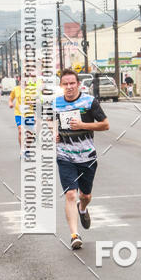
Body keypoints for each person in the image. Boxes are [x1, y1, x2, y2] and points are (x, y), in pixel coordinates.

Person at [55, 69, 109, 250]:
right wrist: (52, 133)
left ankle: (83, 208)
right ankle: (74, 235)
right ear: (61, 85)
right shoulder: (55, 103)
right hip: (64, 155)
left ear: (78, 84)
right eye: (65, 84)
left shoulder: (89, 102)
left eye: (72, 83)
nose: (69, 87)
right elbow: (47, 122)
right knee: (70, 194)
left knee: (85, 195)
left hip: (87, 156)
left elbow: (105, 124)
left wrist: (82, 125)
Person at [8, 79, 23, 147]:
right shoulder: (16, 89)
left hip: (30, 114)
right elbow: (11, 98)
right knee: (20, 131)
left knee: (29, 134)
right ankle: (22, 149)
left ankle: (28, 148)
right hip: (18, 113)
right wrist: (10, 103)